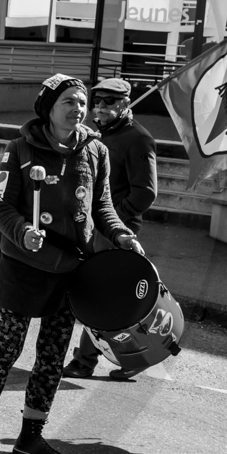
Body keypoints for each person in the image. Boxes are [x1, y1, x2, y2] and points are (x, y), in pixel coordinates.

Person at [0, 75, 142, 454]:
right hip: (23, 267)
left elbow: (102, 206)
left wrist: (121, 234)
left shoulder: (95, 150)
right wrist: (23, 232)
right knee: (5, 351)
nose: (78, 108)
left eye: (82, 101)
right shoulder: (19, 149)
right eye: (69, 102)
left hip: (71, 269)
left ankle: (31, 435)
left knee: (52, 356)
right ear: (48, 107)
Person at [64, 76, 158, 379]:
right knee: (109, 298)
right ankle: (128, 358)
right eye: (98, 101)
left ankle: (85, 360)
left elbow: (145, 192)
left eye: (110, 102)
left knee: (103, 298)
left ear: (126, 103)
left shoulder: (138, 139)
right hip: (93, 229)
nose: (101, 107)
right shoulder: (98, 135)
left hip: (116, 232)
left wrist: (113, 221)